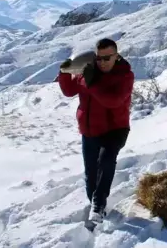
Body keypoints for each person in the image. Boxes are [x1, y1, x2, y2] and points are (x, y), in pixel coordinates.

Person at [57, 38, 134, 223]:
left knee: (106, 161)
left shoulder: (125, 75)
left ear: (116, 56)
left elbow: (113, 101)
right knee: (90, 175)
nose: (103, 62)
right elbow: (69, 91)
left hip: (115, 129)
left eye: (107, 58)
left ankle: (98, 205)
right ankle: (97, 209)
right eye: (99, 58)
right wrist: (64, 72)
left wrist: (92, 84)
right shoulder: (88, 72)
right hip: (89, 131)